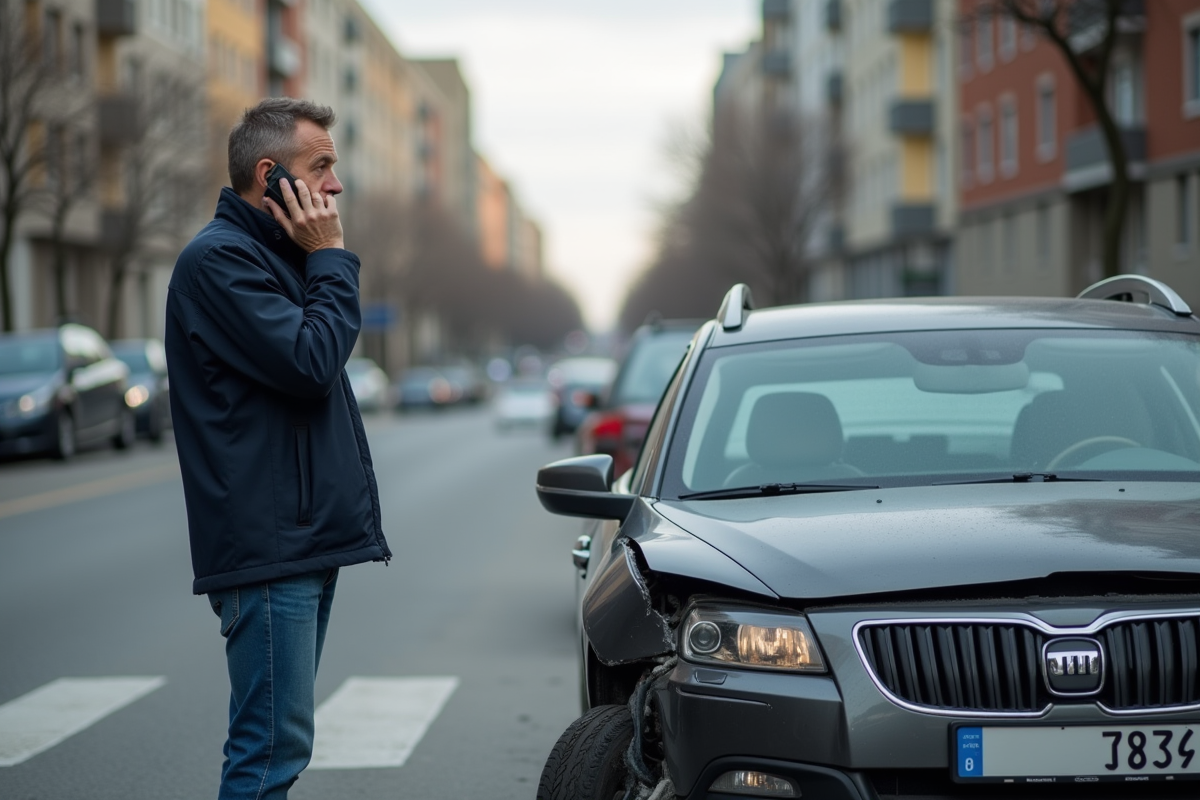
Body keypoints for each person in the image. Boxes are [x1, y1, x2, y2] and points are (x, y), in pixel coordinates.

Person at [164, 97, 392, 799]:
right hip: (269, 549)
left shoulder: (275, 257)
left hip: (298, 542)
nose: (336, 184)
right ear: (271, 176)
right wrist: (329, 257)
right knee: (269, 753)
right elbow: (310, 360)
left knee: (279, 745)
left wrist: (316, 259)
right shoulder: (221, 263)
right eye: (320, 165)